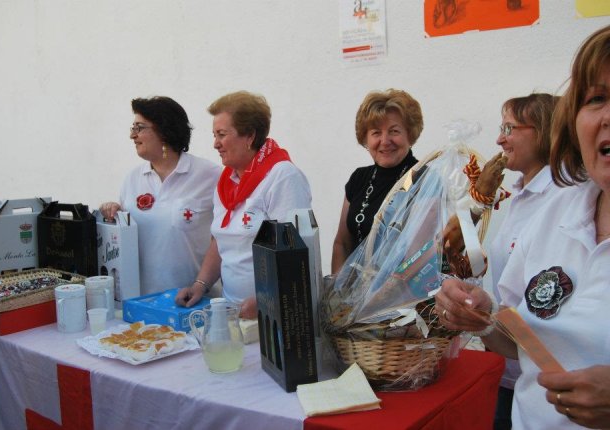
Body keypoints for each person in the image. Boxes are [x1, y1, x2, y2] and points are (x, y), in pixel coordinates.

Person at [435, 25, 610, 429]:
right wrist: (481, 315)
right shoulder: (555, 212)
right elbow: (520, 339)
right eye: (596, 98)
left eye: (510, 129)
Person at [175, 91, 312, 319]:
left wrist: (267, 300)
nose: (215, 144)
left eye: (222, 135)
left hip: (273, 315)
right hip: (233, 313)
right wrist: (200, 284)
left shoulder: (282, 176)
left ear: (249, 136)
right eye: (214, 135)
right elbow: (221, 241)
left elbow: (293, 252)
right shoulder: (226, 182)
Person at [100, 96, 221, 295]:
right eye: (133, 127)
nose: (132, 135)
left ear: (164, 131)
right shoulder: (132, 178)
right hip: (140, 300)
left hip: (192, 300)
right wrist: (114, 214)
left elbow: (227, 238)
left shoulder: (210, 175)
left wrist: (200, 285)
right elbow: (125, 237)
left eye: (139, 127)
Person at [488, 93, 559, 430]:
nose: (499, 139)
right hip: (509, 362)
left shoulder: (560, 198)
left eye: (509, 128)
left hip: (542, 373)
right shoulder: (520, 193)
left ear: (544, 132)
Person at [331, 89, 422, 274]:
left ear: (410, 135)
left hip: (402, 289)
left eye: (394, 131)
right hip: (354, 289)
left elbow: (423, 252)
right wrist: (337, 287)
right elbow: (342, 243)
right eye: (376, 132)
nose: (385, 141)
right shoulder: (359, 178)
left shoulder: (424, 179)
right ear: (365, 138)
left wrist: (386, 290)